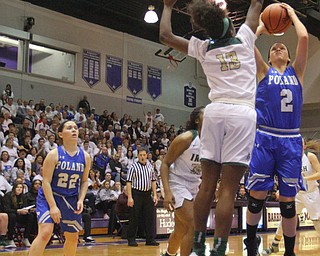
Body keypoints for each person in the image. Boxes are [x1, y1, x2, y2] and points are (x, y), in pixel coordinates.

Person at [160, 0, 263, 255]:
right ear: (230, 26)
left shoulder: (203, 48)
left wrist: (168, 6)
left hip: (214, 112)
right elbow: (257, 3)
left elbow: (164, 35)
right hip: (241, 113)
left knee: (207, 185)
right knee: (227, 188)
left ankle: (197, 241)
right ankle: (219, 247)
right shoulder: (244, 39)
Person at [245, 3, 308, 256]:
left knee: (288, 203)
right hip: (265, 137)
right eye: (273, 48)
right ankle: (251, 245)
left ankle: (289, 252)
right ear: (269, 57)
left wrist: (290, 14)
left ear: (289, 57)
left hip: (291, 140)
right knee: (256, 196)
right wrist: (262, 28)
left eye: (282, 46)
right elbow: (246, 42)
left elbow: (303, 36)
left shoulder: (298, 72)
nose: (278, 47)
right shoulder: (263, 71)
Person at [27, 120, 91, 256]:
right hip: (50, 196)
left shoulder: (85, 156)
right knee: (45, 233)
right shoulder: (53, 155)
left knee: (73, 237)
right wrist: (53, 206)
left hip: (70, 199)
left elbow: (84, 181)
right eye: (69, 128)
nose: (74, 130)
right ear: (61, 134)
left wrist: (81, 199)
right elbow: (45, 182)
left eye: (75, 127)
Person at [262, 139, 320, 255]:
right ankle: (275, 245)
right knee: (286, 218)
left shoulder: (310, 156)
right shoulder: (291, 159)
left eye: (301, 143)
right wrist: (281, 190)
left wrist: (304, 180)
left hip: (311, 193)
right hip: (297, 194)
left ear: (304, 146)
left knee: (317, 222)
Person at [160, 106, 203, 256]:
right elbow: (165, 164)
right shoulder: (186, 139)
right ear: (197, 119)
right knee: (194, 224)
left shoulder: (214, 141)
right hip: (176, 181)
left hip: (194, 184)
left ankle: (168, 254)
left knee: (181, 230)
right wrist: (167, 192)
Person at [126, 148, 159, 247]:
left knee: (150, 217)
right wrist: (130, 197)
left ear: (147, 155)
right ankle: (131, 239)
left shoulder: (150, 166)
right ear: (138, 156)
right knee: (134, 217)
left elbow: (153, 181)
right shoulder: (133, 167)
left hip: (147, 194)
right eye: (140, 155)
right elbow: (129, 182)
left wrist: (155, 195)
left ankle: (150, 239)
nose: (142, 157)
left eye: (144, 155)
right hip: (136, 194)